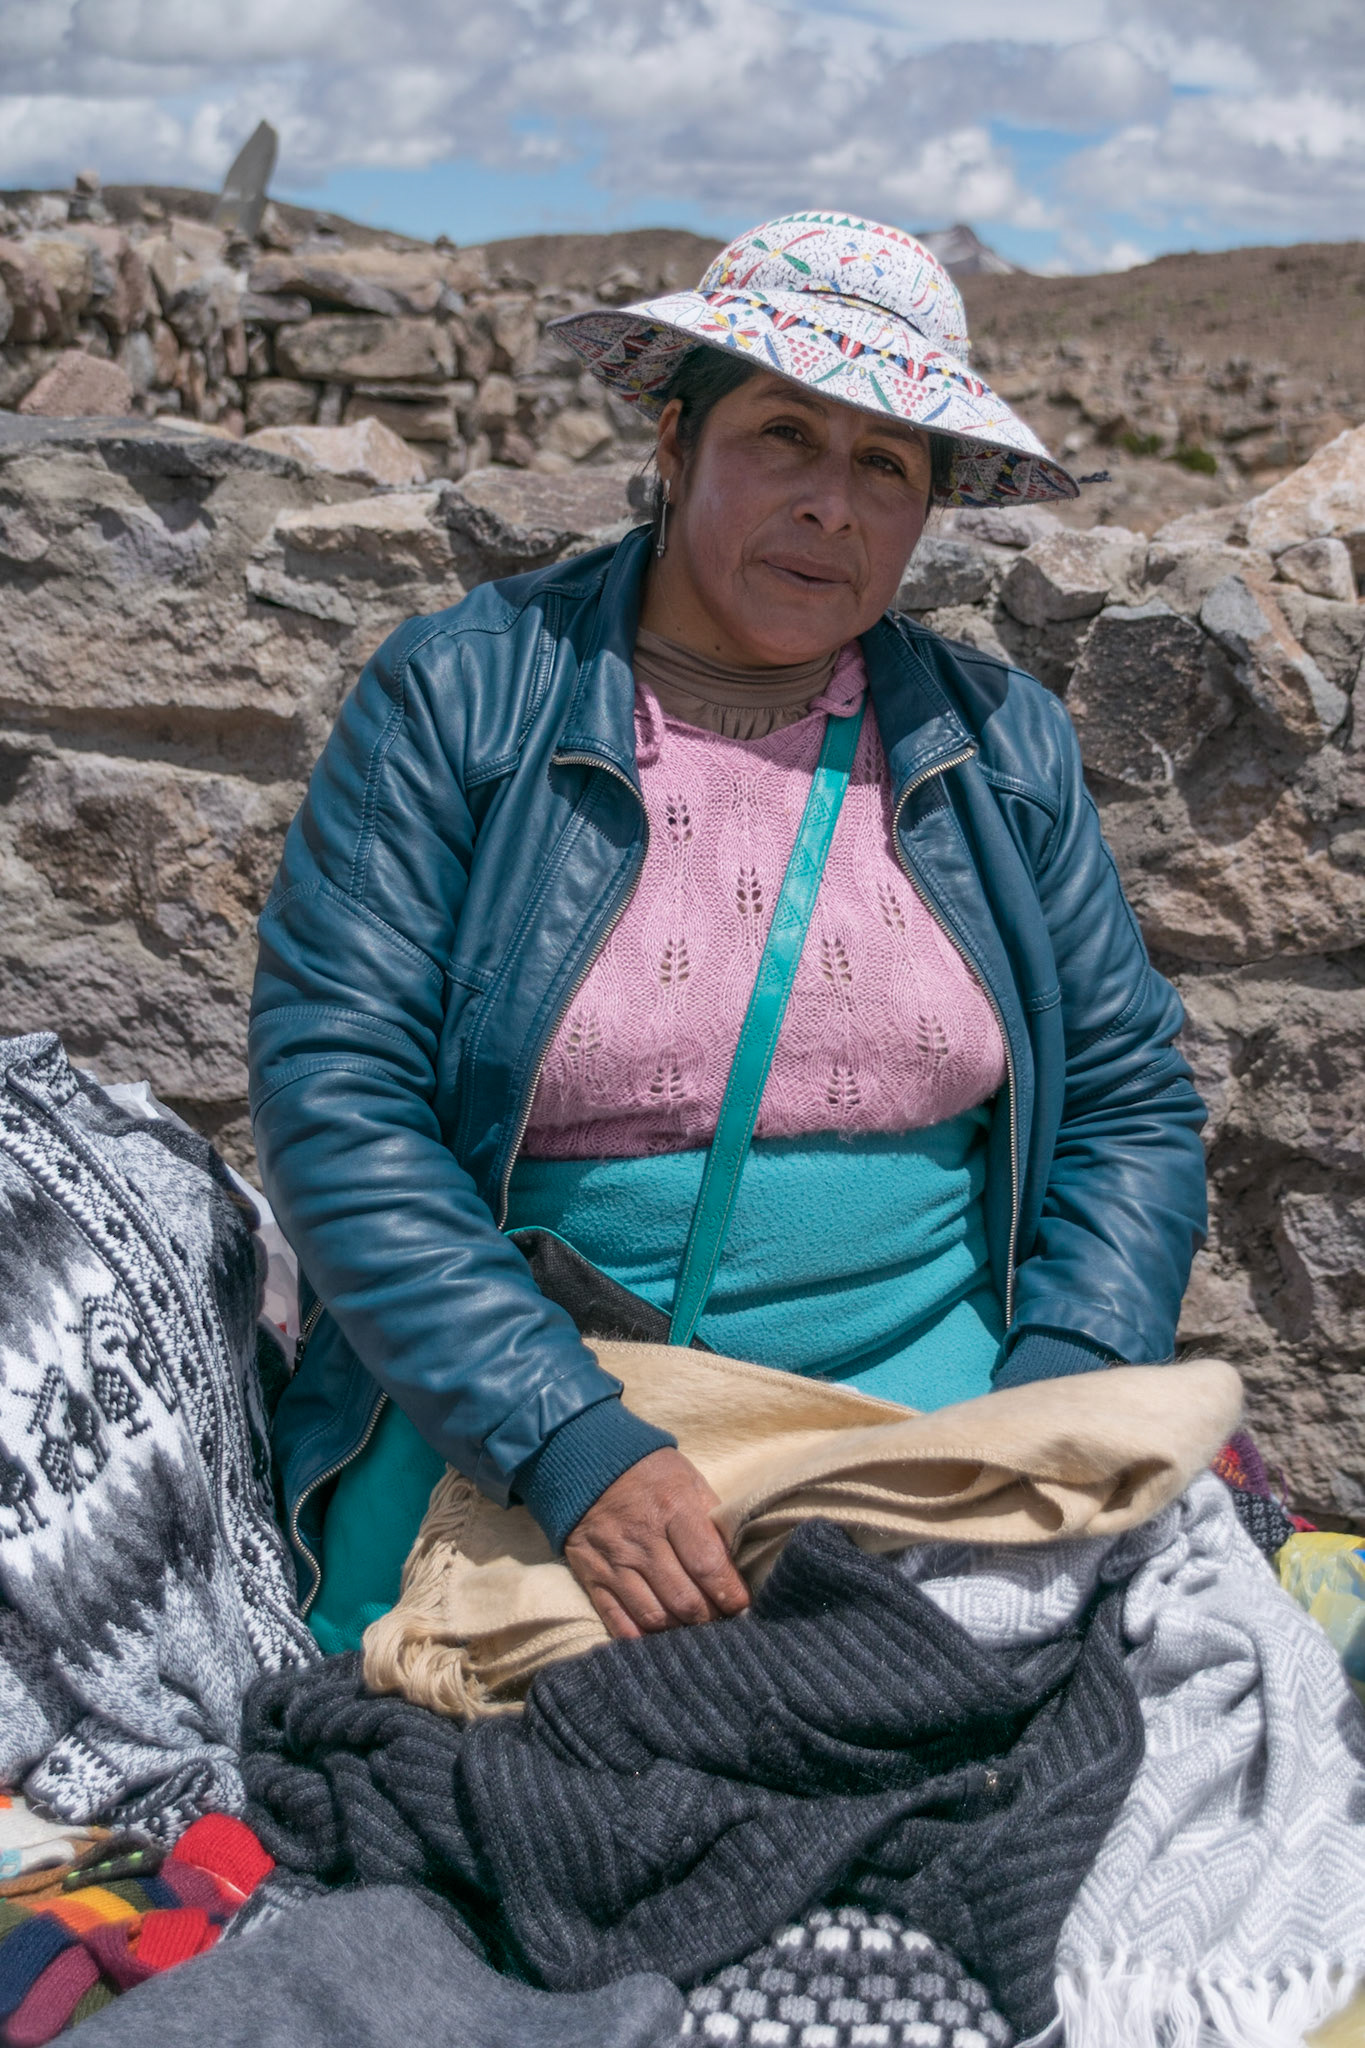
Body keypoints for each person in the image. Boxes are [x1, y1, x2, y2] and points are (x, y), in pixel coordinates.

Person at [248, 213, 1207, 1654]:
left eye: (884, 464)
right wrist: (571, 1445)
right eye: (782, 436)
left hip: (916, 1427)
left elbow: (1129, 1109)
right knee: (518, 1789)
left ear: (924, 512)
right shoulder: (464, 698)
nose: (830, 503)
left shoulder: (999, 748)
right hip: (531, 1423)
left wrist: (1049, 1401)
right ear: (676, 444)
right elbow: (337, 1090)